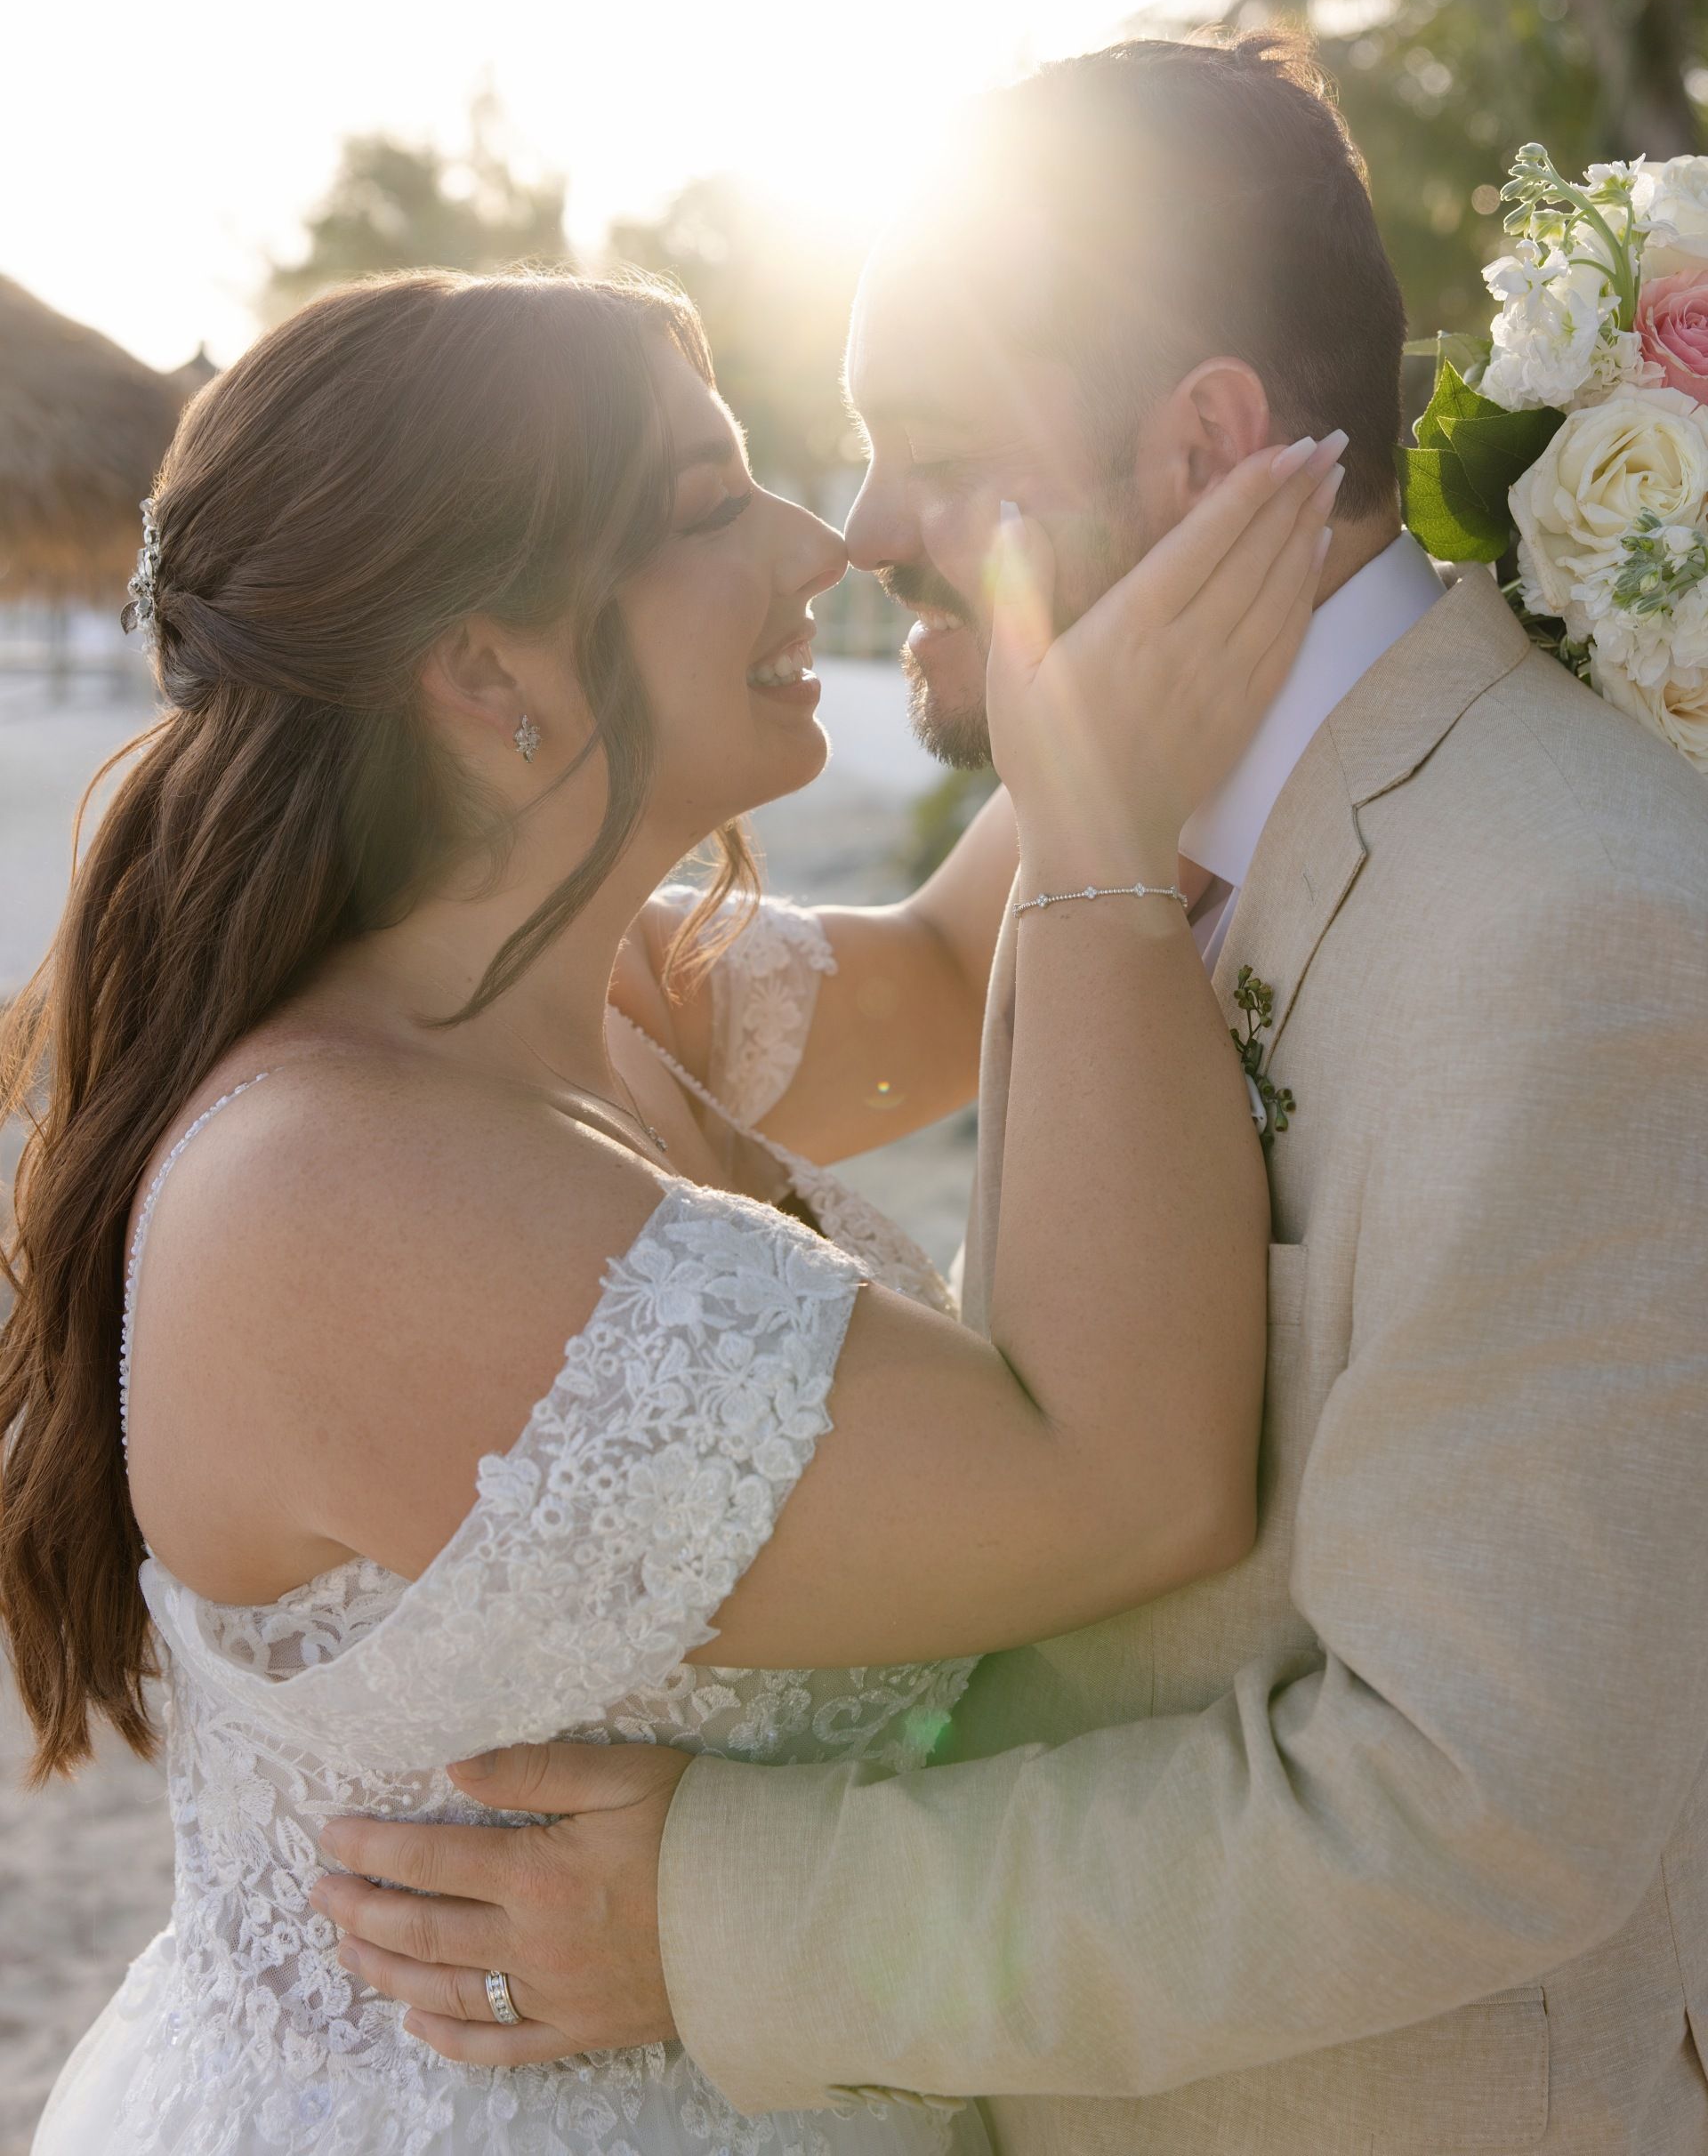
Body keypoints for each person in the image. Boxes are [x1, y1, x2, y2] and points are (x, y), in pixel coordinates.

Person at [328, 37, 1708, 2153]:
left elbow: (1476, 1808)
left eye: (938, 449)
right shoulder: (1107, 818)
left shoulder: (1578, 929)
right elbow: (919, 989)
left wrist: (723, 1921)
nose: (860, 526)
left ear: (1207, 444)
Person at [0, 261, 1335, 2156]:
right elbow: (1132, 1483)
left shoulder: (590, 991)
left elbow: (957, 976)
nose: (818, 543)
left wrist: (1154, 567)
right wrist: (1106, 836)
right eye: (713, 507)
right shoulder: (335, 1199)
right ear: (485, 671)